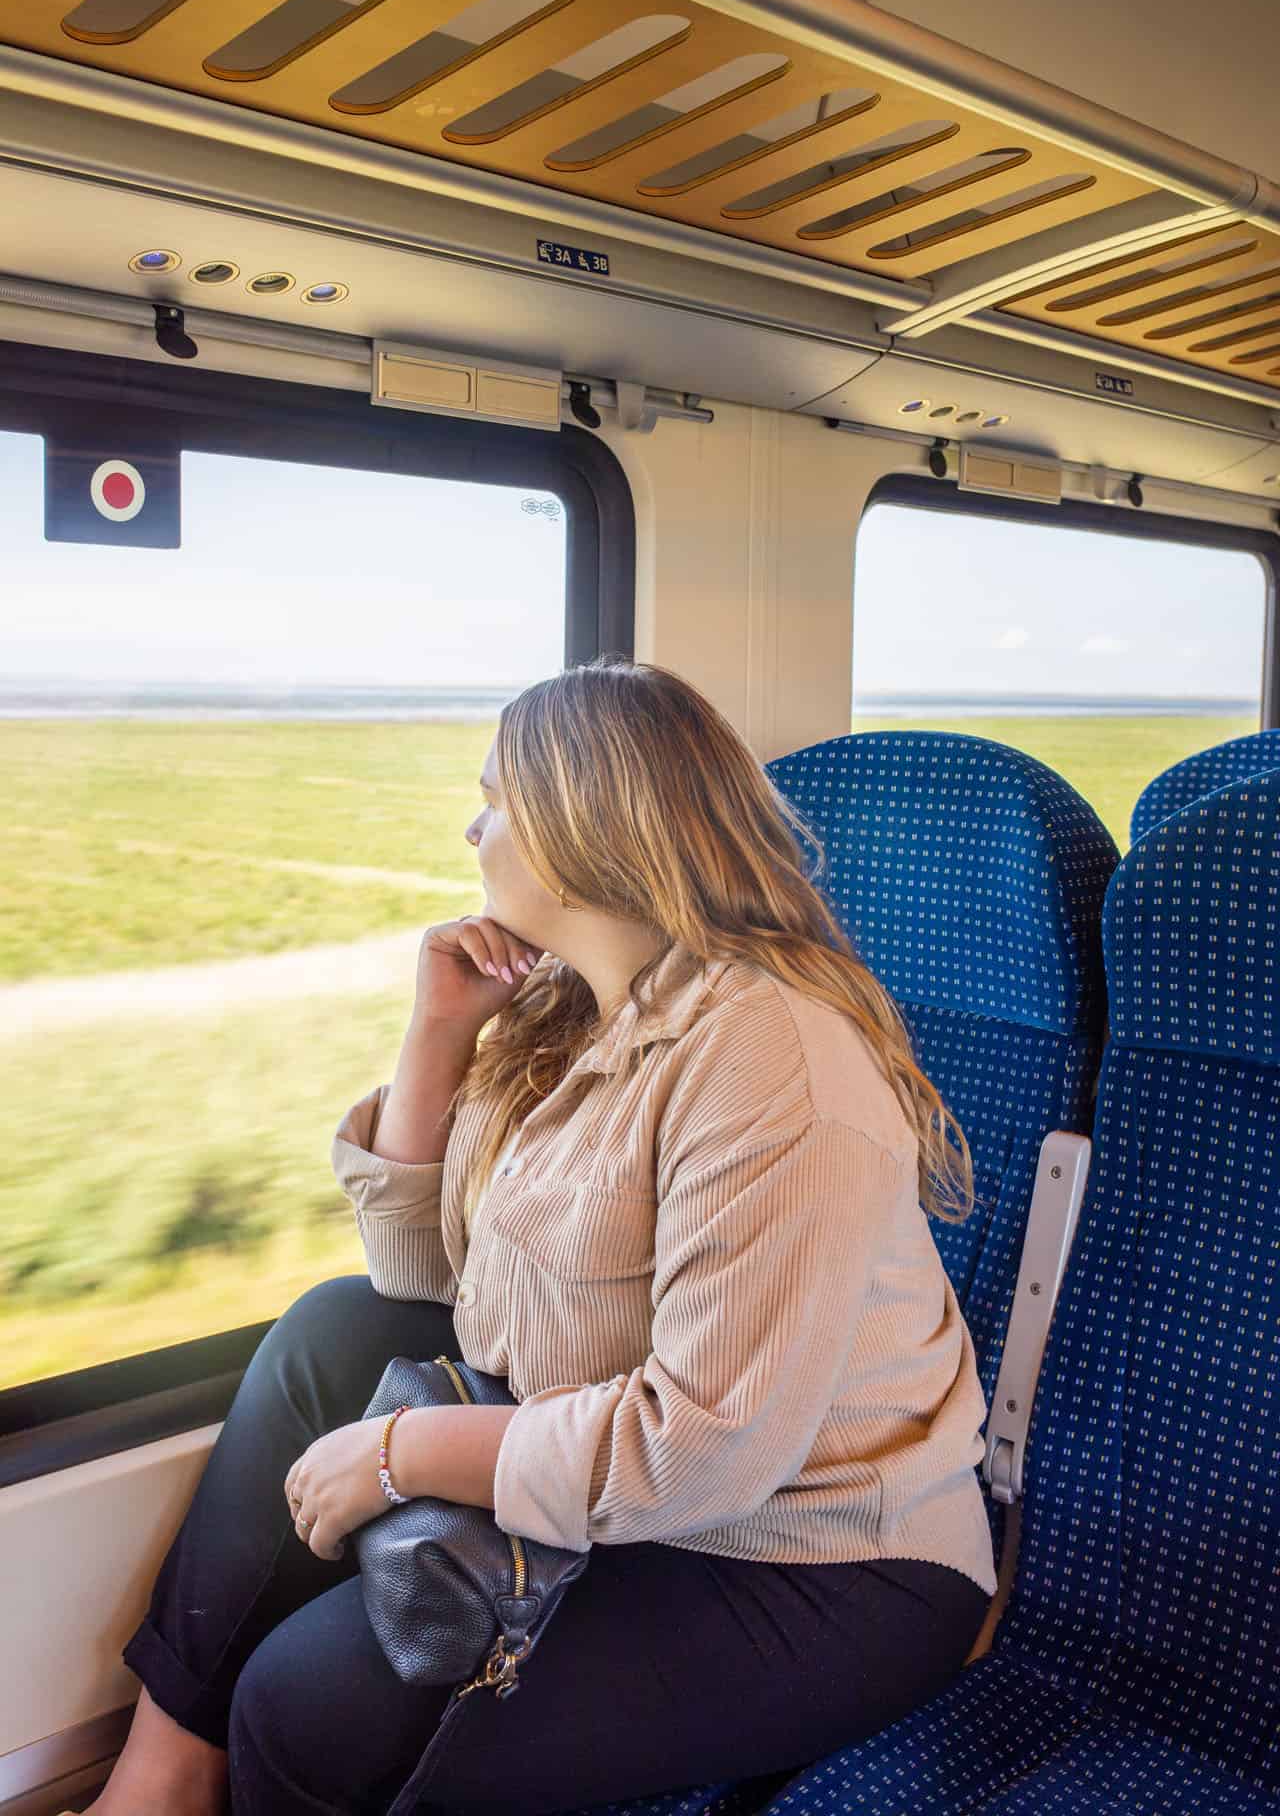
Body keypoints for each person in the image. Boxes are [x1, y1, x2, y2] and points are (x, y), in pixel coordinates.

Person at [90, 657, 997, 1816]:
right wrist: (436, 1038)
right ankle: (156, 1782)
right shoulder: (574, 1006)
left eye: (495, 797)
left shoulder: (770, 1056)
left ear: (579, 827)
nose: (474, 827)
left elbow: (702, 1453)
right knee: (333, 1327)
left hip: (809, 1554)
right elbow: (420, 1280)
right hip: (629, 1454)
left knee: (300, 1707)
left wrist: (398, 1455)